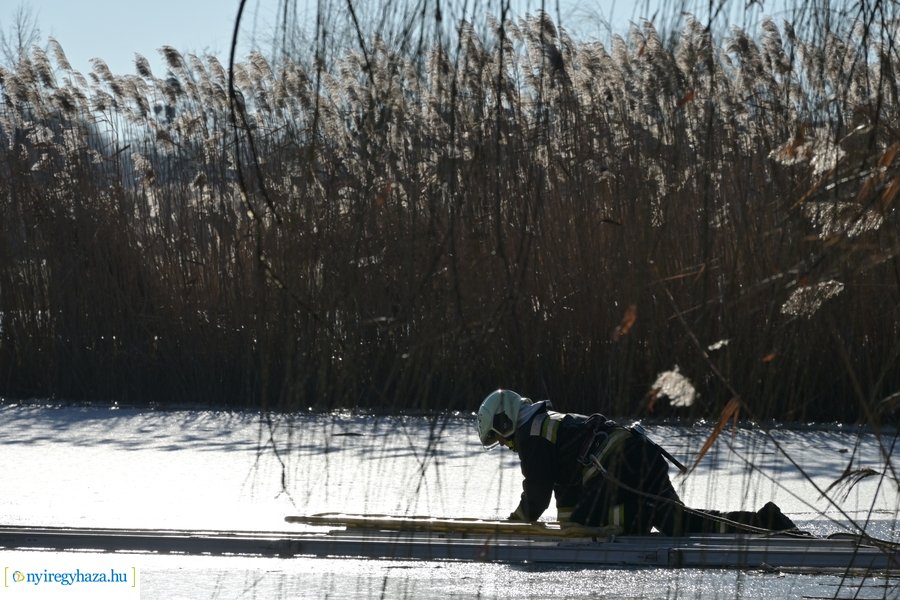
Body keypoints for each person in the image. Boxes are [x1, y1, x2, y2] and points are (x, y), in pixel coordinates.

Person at [476, 389, 800, 535]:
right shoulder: (549, 424)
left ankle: (633, 523)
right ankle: (764, 521)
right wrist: (566, 527)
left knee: (594, 525)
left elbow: (537, 494)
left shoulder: (533, 435)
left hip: (622, 467)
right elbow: (565, 492)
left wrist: (516, 524)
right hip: (637, 455)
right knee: (677, 524)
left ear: (506, 424)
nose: (506, 447)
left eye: (501, 439)